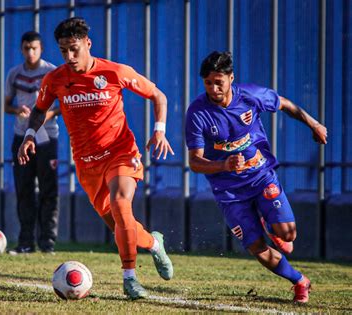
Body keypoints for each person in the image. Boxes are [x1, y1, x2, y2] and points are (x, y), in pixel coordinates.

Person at [18, 17, 174, 299]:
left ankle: (130, 278)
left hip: (120, 151)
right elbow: (40, 109)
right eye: (63, 50)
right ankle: (153, 243)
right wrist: (30, 135)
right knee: (120, 225)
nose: (69, 56)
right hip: (87, 163)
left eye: (74, 48)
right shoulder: (55, 79)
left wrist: (159, 131)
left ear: (87, 43)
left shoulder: (114, 72)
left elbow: (158, 96)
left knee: (119, 203)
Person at [185, 51, 327, 303]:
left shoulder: (251, 96)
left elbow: (285, 104)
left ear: (231, 78)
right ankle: (299, 281)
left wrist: (314, 124)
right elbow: (194, 162)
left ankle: (271, 225)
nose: (214, 88)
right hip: (229, 192)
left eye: (219, 82)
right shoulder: (197, 112)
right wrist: (224, 165)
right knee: (256, 248)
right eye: (208, 83)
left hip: (260, 176)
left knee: (288, 235)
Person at [4, 31, 60, 255]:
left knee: (49, 190)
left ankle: (47, 243)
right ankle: (25, 243)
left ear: (41, 49)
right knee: (24, 189)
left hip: (46, 138)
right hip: (22, 137)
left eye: (34, 48)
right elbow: (6, 105)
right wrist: (17, 110)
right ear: (21, 49)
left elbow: (63, 105)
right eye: (26, 48)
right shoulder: (14, 74)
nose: (30, 52)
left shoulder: (52, 72)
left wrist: (47, 115)